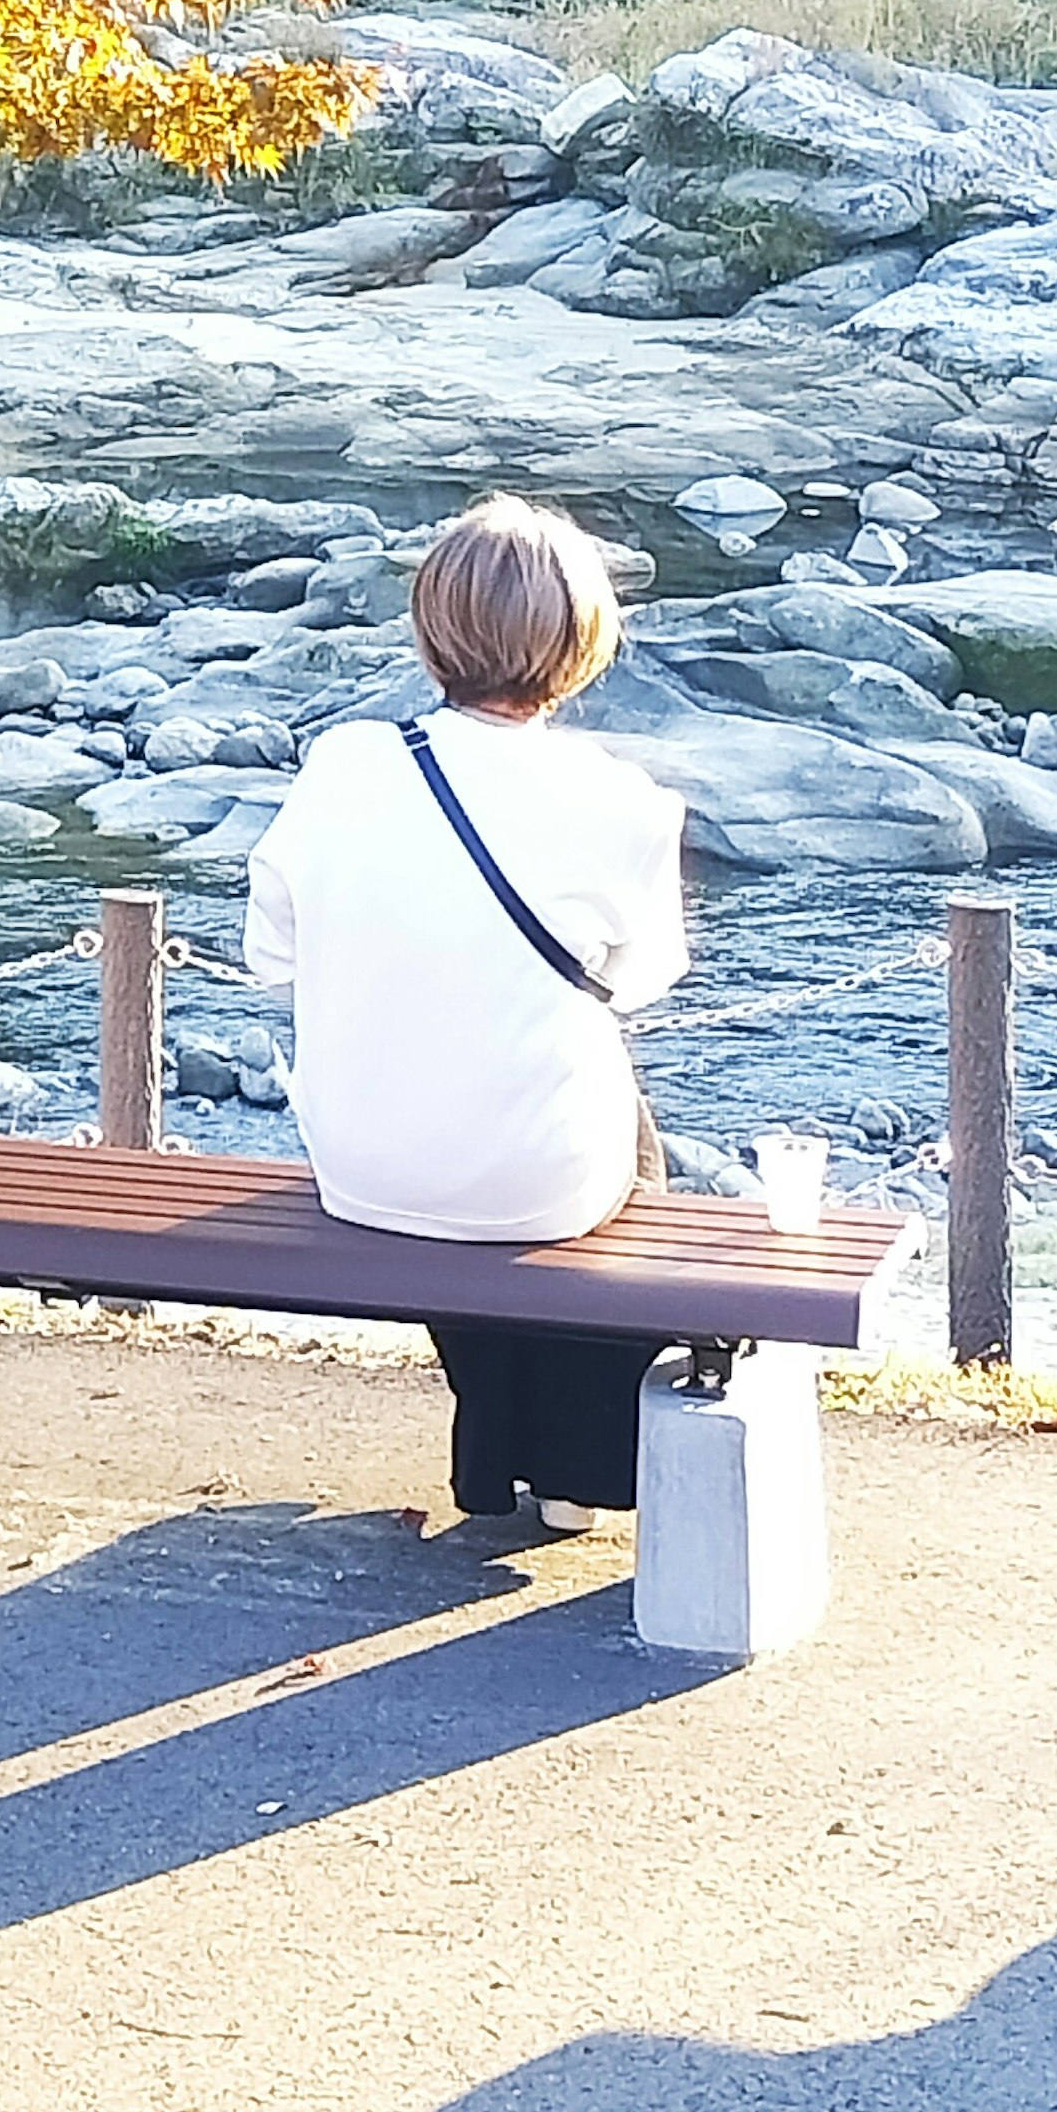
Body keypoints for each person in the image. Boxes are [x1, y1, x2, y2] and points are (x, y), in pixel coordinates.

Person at [243, 492, 690, 1532]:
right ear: (580, 641)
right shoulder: (625, 798)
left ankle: (498, 1450)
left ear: (432, 625)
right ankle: (572, 1465)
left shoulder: (345, 763)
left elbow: (274, 954)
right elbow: (637, 981)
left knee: (470, 1099)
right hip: (530, 1185)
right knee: (616, 1140)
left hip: (363, 1166)